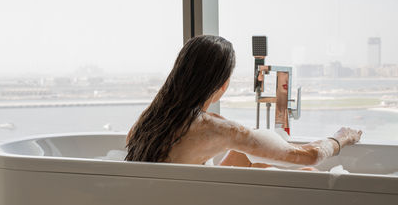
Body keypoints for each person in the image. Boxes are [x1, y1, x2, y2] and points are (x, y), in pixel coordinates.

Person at [125, 35, 362, 168]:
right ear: (223, 84)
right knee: (301, 168)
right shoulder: (215, 129)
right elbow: (309, 155)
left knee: (253, 158)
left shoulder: (146, 123)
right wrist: (342, 137)